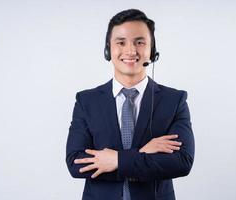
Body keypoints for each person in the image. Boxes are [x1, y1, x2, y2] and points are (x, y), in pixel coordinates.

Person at [66, 9, 195, 200]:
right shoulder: (87, 101)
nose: (130, 50)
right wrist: (143, 153)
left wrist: (115, 160)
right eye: (121, 42)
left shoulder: (174, 100)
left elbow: (181, 161)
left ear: (152, 51)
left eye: (140, 42)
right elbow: (76, 163)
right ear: (108, 49)